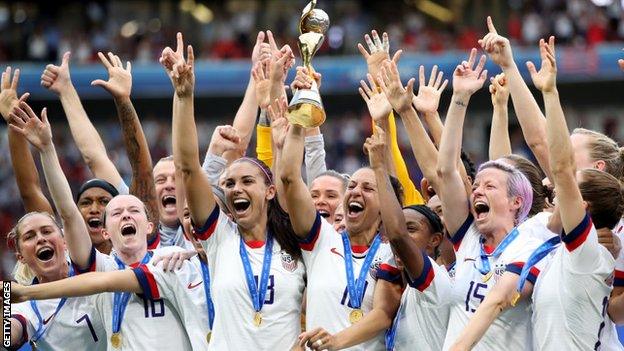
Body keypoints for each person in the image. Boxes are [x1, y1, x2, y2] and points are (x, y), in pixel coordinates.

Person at [164, 32, 305, 350]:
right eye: (228, 183)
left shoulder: (295, 237)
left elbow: (288, 176)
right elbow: (188, 167)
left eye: (246, 181)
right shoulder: (218, 237)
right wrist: (184, 97)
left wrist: (276, 87)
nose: (235, 188)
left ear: (269, 192)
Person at [433, 48, 542, 350]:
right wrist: (459, 99)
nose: (477, 190)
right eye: (476, 185)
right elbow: (445, 171)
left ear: (517, 201)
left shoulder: (530, 244)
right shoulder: (467, 237)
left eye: (489, 186)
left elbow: (501, 300)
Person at [280, 93, 402, 349]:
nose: (356, 192)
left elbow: (384, 314)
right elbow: (290, 177)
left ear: (384, 206)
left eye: (368, 188)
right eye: (353, 186)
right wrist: (300, 118)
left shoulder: (392, 253)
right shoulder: (321, 240)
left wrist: (336, 341)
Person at [367, 126, 452, 351]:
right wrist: (383, 120)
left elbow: (397, 234)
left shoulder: (435, 282)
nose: (400, 240)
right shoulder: (408, 293)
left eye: (411, 229)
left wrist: (378, 167)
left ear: (435, 239)